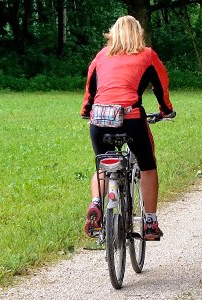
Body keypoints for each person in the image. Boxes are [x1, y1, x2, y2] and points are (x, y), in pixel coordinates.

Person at [80, 15, 175, 241]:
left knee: (103, 164)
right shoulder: (147, 55)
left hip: (100, 120)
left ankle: (96, 204)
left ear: (112, 33)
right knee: (147, 166)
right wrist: (166, 110)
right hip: (131, 119)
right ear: (138, 33)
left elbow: (90, 90)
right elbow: (161, 86)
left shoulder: (101, 56)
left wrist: (87, 112)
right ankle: (150, 223)